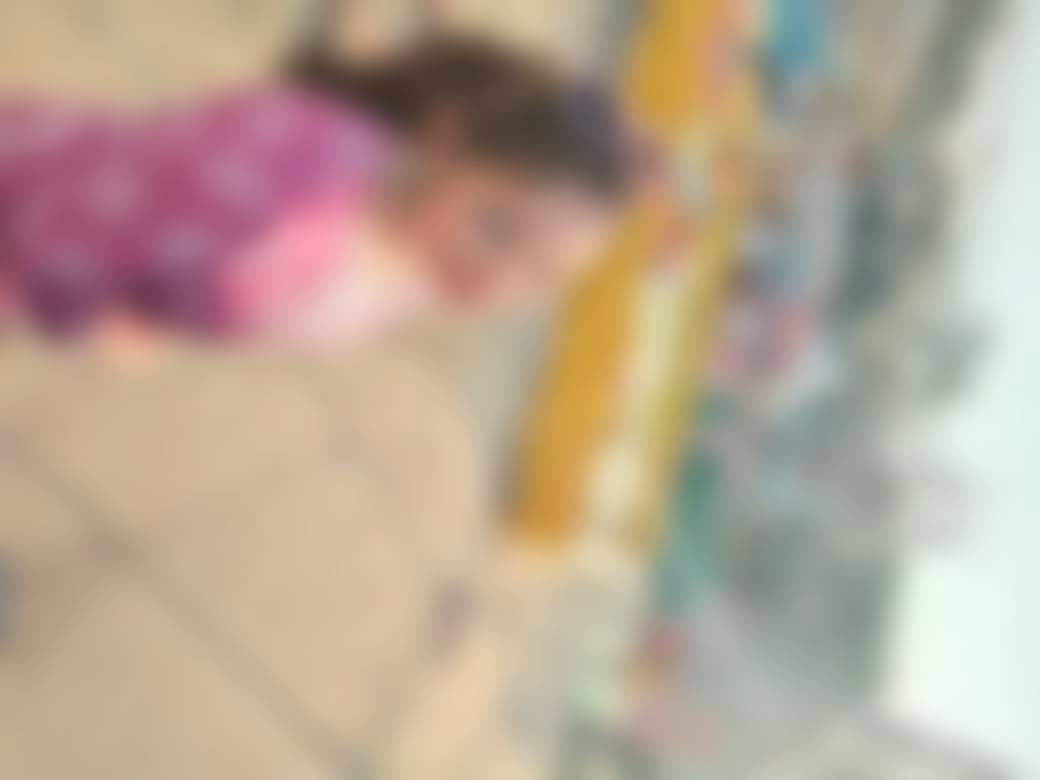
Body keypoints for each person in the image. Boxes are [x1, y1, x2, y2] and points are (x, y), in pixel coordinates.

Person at [0, 38, 629, 347]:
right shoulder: (296, 173)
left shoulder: (404, 256)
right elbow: (118, 214)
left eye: (541, 276)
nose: (496, 277)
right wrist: (86, 304)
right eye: (497, 227)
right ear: (446, 139)